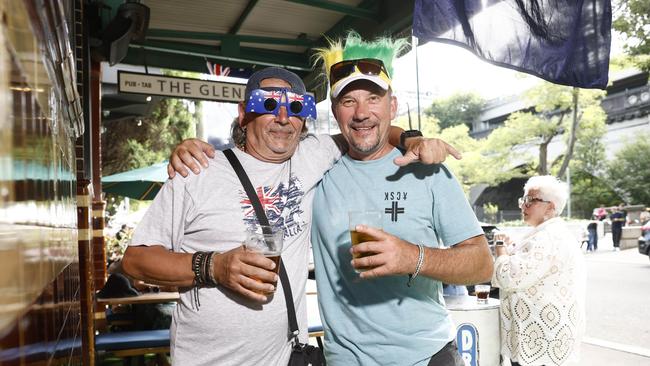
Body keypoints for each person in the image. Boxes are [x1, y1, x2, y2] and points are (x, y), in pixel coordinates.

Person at [124, 66, 459, 365]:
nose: (283, 118)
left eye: (297, 107)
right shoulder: (198, 171)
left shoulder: (313, 154)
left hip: (289, 357)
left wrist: (411, 138)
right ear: (244, 113)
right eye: (268, 104)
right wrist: (214, 266)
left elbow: (365, 127)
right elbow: (135, 261)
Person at [310, 32, 493, 366]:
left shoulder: (428, 171)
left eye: (373, 99)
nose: (361, 112)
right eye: (348, 101)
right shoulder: (316, 172)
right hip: (345, 360)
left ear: (392, 105)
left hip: (426, 356)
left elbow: (481, 264)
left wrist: (412, 257)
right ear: (334, 111)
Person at [492, 175, 586, 366]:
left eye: (530, 201)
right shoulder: (548, 233)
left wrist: (500, 247)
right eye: (523, 200)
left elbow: (510, 278)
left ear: (550, 206)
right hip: (545, 334)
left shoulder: (547, 237)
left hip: (541, 336)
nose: (523, 206)